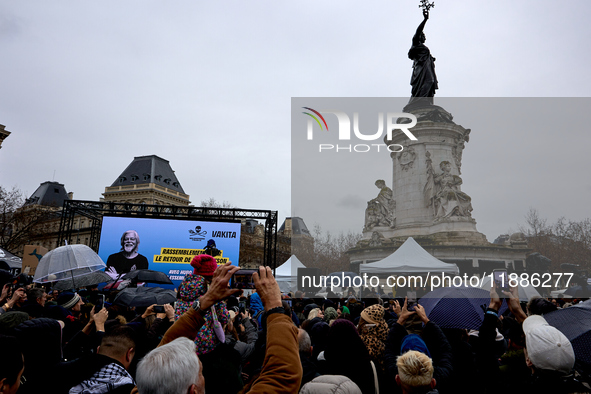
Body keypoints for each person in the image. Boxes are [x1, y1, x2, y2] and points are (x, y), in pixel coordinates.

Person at [136, 263, 302, 394]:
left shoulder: (141, 388)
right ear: (193, 390)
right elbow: (283, 377)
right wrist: (275, 309)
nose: (203, 375)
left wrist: (201, 306)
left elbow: (165, 351)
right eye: (201, 373)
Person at [408, 9, 438, 105]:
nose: (425, 37)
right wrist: (425, 19)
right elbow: (418, 31)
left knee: (431, 82)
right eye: (423, 35)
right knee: (429, 81)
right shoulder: (416, 44)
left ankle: (425, 101)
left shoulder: (423, 47)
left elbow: (425, 56)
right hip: (420, 69)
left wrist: (431, 59)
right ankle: (421, 101)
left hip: (426, 67)